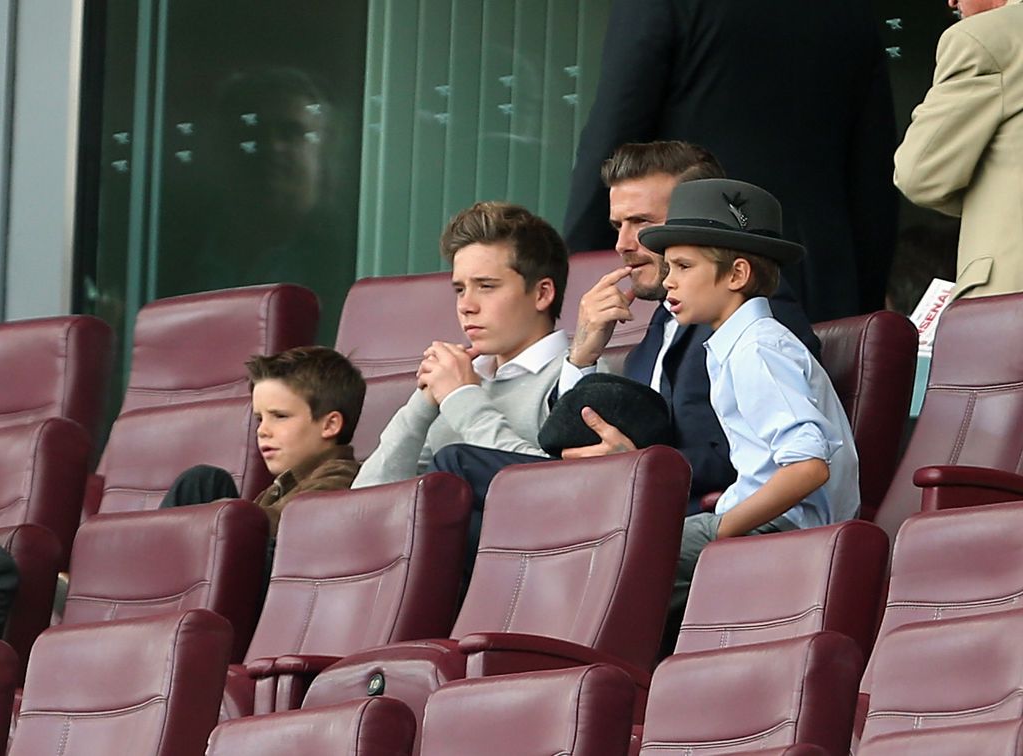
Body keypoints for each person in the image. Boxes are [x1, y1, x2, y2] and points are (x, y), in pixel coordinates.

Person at [433, 142, 819, 513]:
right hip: (617, 501)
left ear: (699, 223)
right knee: (460, 504)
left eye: (643, 224)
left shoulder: (750, 307)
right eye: (618, 225)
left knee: (458, 467)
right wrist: (584, 353)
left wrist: (638, 465)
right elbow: (563, 440)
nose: (623, 243)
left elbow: (757, 456)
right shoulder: (658, 327)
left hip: (671, 513)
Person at [564, 0, 900, 322]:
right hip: (822, 280)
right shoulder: (851, 9)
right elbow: (874, 176)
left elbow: (616, 129)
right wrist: (865, 302)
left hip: (698, 275)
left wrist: (576, 279)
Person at [638, 177, 859, 651]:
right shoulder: (737, 344)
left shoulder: (758, 347)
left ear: (736, 275)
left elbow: (807, 466)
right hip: (763, 517)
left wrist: (724, 528)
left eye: (683, 266)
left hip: (788, 529)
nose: (667, 280)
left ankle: (636, 691)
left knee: (637, 561)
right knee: (633, 549)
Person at [352, 201, 570, 488]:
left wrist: (462, 398)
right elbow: (367, 496)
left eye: (486, 286)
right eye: (460, 289)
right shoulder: (460, 379)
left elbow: (554, 486)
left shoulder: (577, 375)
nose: (466, 306)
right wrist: (424, 403)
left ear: (542, 294)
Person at [161, 345, 365, 540]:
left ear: (330, 425)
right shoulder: (276, 490)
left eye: (280, 416)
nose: (262, 431)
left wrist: (218, 515)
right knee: (203, 482)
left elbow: (290, 523)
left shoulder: (342, 478)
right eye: (260, 418)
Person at [894, 0, 1023, 301]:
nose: (951, 1)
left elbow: (920, 175)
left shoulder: (984, 37)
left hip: (1011, 295)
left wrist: (989, 195)